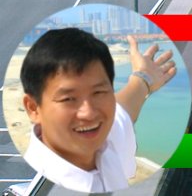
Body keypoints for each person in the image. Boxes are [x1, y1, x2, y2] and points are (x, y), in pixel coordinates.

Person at [20, 28, 177, 193]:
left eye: (98, 92)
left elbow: (122, 112)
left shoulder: (103, 142)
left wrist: (144, 78)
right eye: (68, 99)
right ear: (33, 108)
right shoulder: (47, 184)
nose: (88, 113)